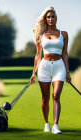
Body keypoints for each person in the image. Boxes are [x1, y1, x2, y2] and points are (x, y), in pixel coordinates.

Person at [30, 6, 71, 134]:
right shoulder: (40, 34)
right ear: (45, 19)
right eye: (48, 17)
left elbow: (65, 54)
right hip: (44, 66)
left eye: (53, 16)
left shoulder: (63, 34)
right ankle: (46, 123)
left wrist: (68, 72)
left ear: (56, 18)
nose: (51, 19)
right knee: (45, 97)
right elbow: (38, 54)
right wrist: (33, 72)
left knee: (56, 96)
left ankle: (55, 125)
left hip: (59, 66)